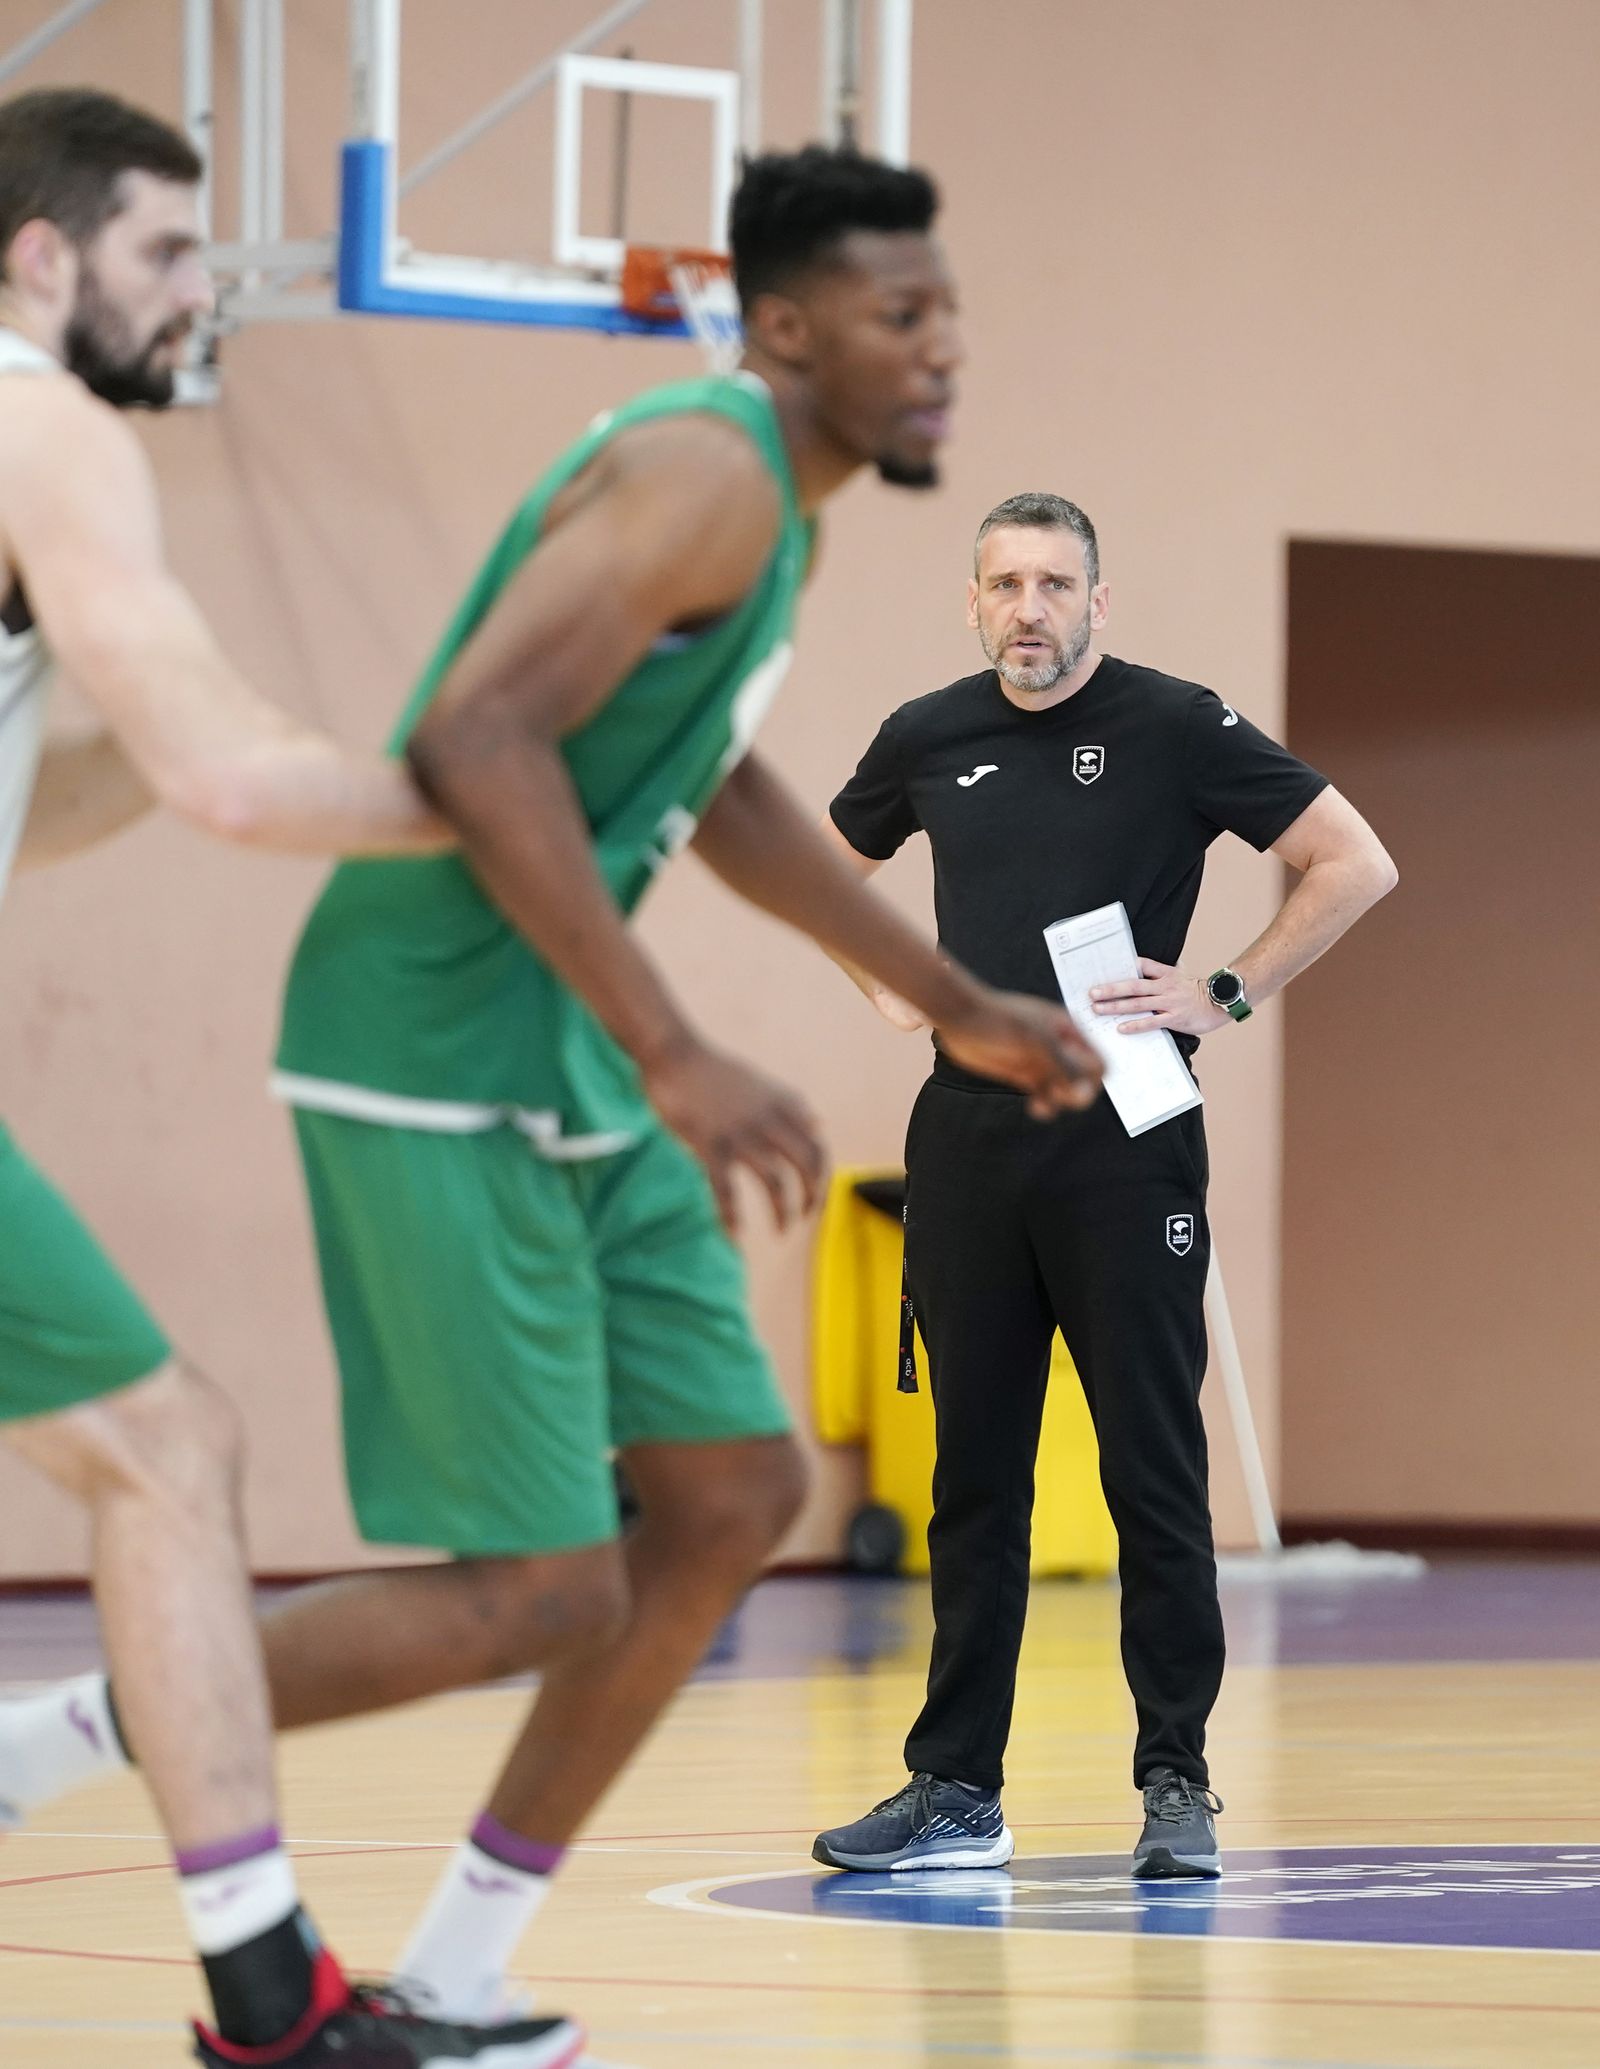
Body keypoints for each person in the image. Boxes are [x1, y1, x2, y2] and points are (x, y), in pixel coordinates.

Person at [0, 147, 1103, 2025]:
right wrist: (677, 1046)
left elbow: (705, 777)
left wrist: (953, 997)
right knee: (543, 1587)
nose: (943, 351)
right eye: (901, 314)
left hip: (559, 1041)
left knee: (735, 1497)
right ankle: (69, 1742)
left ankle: (454, 1975)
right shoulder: (703, 472)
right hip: (433, 1041)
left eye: (951, 315)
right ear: (785, 328)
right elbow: (476, 732)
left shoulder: (777, 517)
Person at [0, 87, 585, 2069]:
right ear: (42, 256)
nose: (200, 295)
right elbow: (233, 782)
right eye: (169, 252)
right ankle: (274, 2005)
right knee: (165, 1454)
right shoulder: (45, 425)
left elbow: (66, 795)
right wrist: (498, 800)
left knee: (155, 1449)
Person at [812, 491, 1398, 1881]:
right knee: (975, 1477)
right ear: (973, 602)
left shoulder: (1175, 725)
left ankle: (1176, 1780)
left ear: (1098, 600)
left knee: (1152, 1466)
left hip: (1127, 1141)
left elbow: (1354, 860)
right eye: (1006, 584)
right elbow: (823, 875)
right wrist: (895, 984)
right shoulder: (926, 736)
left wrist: (1224, 990)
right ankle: (956, 1791)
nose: (1031, 608)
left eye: (1056, 583)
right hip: (969, 1140)